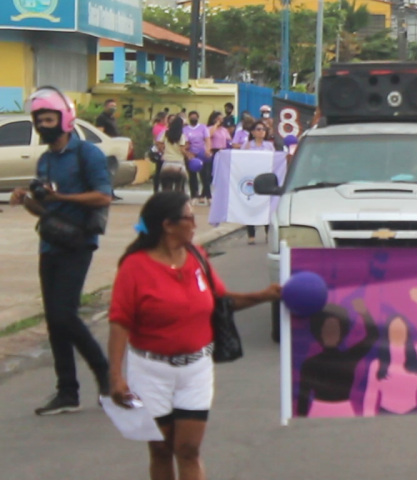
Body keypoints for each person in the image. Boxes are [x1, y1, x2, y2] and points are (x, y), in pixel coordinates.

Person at [107, 191, 280, 480]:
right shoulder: (135, 266)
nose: (195, 224)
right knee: (161, 450)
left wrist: (263, 296)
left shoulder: (197, 257)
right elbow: (120, 322)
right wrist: (115, 376)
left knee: (188, 450)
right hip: (150, 371)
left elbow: (221, 301)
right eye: (189, 218)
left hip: (196, 370)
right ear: (168, 225)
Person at [7, 87, 113, 416]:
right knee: (55, 320)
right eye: (39, 120)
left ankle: (106, 376)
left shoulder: (87, 154)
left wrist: (60, 199)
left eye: (49, 118)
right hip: (50, 242)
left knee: (65, 314)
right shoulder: (46, 160)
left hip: (79, 242)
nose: (44, 125)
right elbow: (44, 210)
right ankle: (67, 391)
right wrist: (27, 199)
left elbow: (103, 196)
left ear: (65, 119)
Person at [362, 288, 417, 416]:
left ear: (407, 333)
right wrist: (368, 423)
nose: (398, 333)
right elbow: (371, 396)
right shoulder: (377, 364)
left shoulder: (416, 355)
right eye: (394, 330)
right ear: (388, 333)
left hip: (411, 414)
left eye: (401, 330)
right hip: (386, 415)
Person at [182, 111, 211, 205]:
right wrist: (188, 153)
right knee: (192, 176)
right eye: (191, 117)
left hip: (202, 154)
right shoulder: (185, 129)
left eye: (195, 117)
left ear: (198, 118)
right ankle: (194, 196)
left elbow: (207, 139)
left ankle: (208, 196)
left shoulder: (203, 127)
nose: (193, 118)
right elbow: (185, 143)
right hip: (191, 155)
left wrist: (208, 150)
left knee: (205, 176)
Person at [157, 116, 192, 194]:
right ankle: (177, 203)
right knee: (179, 188)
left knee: (166, 188)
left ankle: (166, 203)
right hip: (178, 163)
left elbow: (159, 143)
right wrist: (188, 155)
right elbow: (182, 149)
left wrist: (163, 151)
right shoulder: (182, 135)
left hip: (167, 163)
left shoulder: (165, 133)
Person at [202, 112, 229, 204]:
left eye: (221, 119)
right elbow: (209, 135)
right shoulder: (209, 128)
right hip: (213, 151)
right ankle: (207, 194)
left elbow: (229, 140)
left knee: (219, 174)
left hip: (222, 152)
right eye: (218, 119)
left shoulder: (224, 130)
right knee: (208, 174)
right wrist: (216, 125)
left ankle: (205, 194)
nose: (220, 121)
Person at [150, 112, 170, 194]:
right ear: (162, 119)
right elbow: (156, 140)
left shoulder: (166, 127)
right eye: (166, 119)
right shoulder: (158, 127)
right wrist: (160, 149)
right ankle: (156, 189)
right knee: (159, 171)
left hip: (166, 150)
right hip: (160, 151)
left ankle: (164, 188)